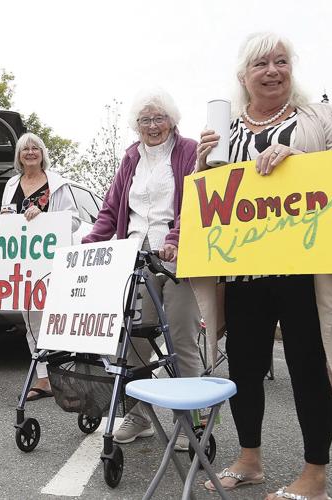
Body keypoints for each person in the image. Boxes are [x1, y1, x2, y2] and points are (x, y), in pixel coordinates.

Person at [195, 32, 332, 500]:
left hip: (304, 272)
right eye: (261, 64)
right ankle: (249, 460)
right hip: (245, 273)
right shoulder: (228, 131)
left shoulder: (322, 118)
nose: (273, 70)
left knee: (306, 366)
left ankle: (314, 476)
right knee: (243, 368)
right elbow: (212, 205)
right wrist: (202, 167)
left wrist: (303, 160)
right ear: (244, 76)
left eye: (281, 61)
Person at [81, 90, 203, 451]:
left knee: (181, 340)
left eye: (159, 118)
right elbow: (111, 209)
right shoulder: (130, 158)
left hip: (178, 260)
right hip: (135, 259)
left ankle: (190, 420)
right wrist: (88, 245)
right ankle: (139, 415)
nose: (152, 126)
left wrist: (177, 237)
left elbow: (196, 200)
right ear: (137, 126)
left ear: (173, 120)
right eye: (145, 120)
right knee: (132, 340)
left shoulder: (189, 151)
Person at [0, 133, 80, 402]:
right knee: (31, 320)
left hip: (52, 260)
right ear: (19, 156)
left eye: (35, 148)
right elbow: (6, 216)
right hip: (23, 261)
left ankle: (63, 374)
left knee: (55, 318)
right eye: (25, 149)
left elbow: (74, 220)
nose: (30, 152)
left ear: (43, 153)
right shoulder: (12, 184)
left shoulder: (58, 184)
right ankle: (44, 378)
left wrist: (45, 218)